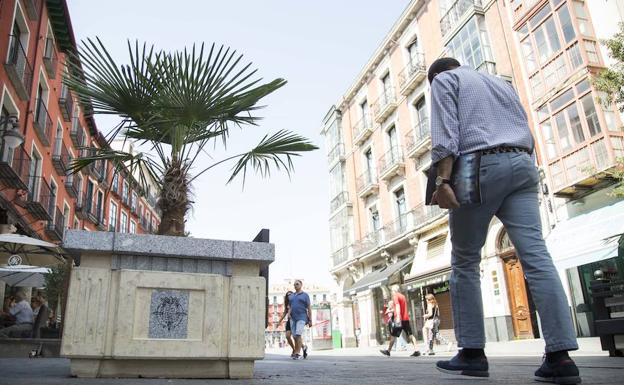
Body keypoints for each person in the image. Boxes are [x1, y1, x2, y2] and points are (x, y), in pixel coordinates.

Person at [427, 57, 580, 384]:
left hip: (479, 166)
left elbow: (445, 137)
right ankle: (560, 356)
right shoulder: (500, 83)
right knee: (537, 256)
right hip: (523, 164)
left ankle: (471, 354)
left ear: (437, 75)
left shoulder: (443, 81)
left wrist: (442, 183)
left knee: (465, 260)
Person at [379, 285, 421, 357]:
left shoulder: (395, 296)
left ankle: (388, 351)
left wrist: (398, 317)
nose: (391, 292)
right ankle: (417, 350)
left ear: (394, 291)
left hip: (399, 319)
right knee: (410, 334)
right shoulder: (403, 296)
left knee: (393, 335)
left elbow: (398, 306)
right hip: (405, 318)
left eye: (391, 291)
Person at [288, 279, 311, 360]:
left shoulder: (305, 295)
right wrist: (289, 314)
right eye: (294, 284)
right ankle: (304, 347)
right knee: (294, 336)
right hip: (293, 318)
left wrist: (310, 320)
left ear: (301, 285)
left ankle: (297, 353)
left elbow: (309, 308)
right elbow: (290, 307)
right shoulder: (291, 296)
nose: (295, 285)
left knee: (298, 334)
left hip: (302, 317)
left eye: (297, 284)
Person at [275, 290, 296, 357]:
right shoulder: (287, 304)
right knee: (287, 336)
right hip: (289, 321)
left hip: (296, 321)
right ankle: (294, 349)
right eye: (288, 295)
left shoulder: (296, 302)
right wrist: (279, 322)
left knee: (296, 337)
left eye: (290, 294)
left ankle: (303, 347)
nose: (289, 296)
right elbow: (284, 313)